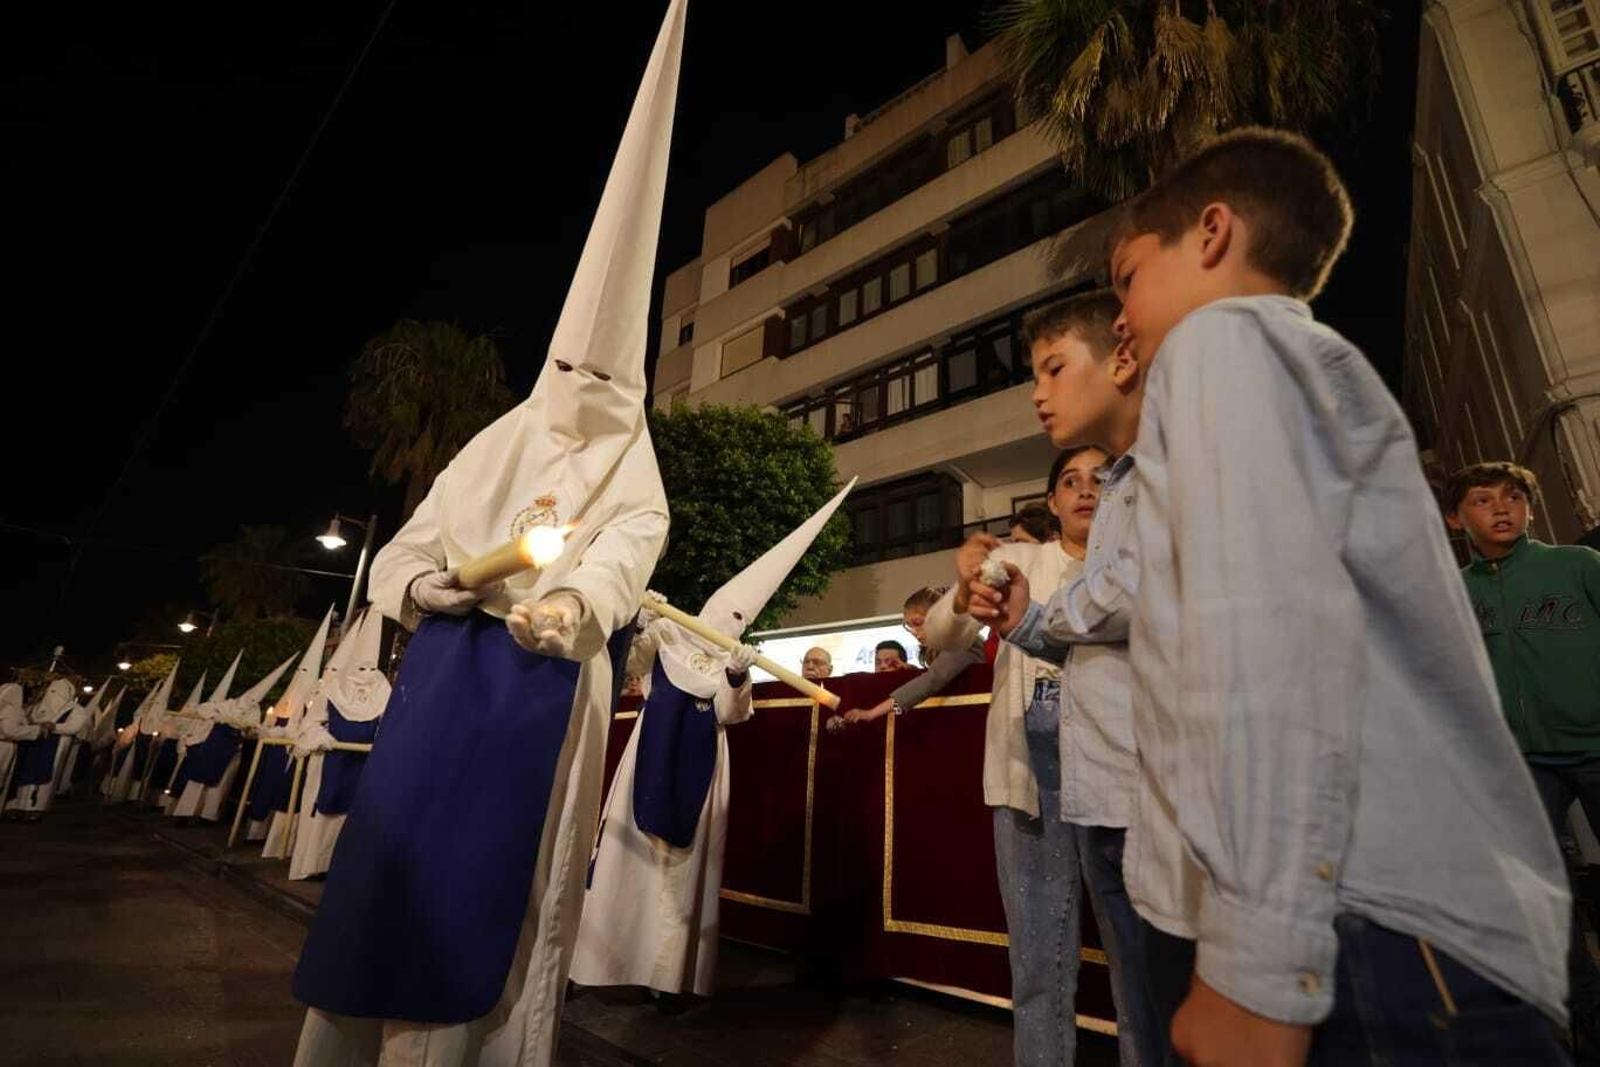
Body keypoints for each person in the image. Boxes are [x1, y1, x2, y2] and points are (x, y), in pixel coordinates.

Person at [975, 127, 1569, 1064]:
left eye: (1128, 278)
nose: (1119, 320)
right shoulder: (1283, 371)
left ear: (1211, 234)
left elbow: (1265, 650)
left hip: (1370, 932)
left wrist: (1258, 969)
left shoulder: (1227, 341)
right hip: (1386, 924)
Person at [290, 6, 682, 1064]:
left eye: (610, 381)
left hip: (545, 693)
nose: (587, 395)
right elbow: (403, 554)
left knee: (501, 895)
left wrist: (568, 611)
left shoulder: (636, 482)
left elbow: (615, 563)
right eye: (572, 373)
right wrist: (424, 593)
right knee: (395, 878)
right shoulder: (482, 454)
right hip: (445, 680)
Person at [571, 482, 850, 999]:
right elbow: (626, 664)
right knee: (624, 859)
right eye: (729, 609)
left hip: (704, 765)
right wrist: (639, 619)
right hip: (647, 755)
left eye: (742, 616)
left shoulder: (734, 656)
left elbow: (730, 713)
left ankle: (666, 979)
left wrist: (739, 678)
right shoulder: (669, 634)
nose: (732, 618)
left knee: (683, 871)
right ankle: (600, 965)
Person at [928, 438, 1148, 1067]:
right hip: (1029, 777)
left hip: (1119, 775)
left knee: (1137, 963)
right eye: (1070, 481)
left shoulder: (1132, 565)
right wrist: (965, 583)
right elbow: (946, 633)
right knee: (1037, 963)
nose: (1086, 490)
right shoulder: (1021, 559)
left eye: (1100, 479)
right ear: (1051, 501)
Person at [1447, 460, 1600, 1057]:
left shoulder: (1577, 566)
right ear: (1457, 519)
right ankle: (1588, 1018)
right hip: (1520, 764)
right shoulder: (1454, 594)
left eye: (1512, 497)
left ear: (1530, 509)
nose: (1501, 508)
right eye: (1483, 500)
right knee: (1545, 898)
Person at [289, 610, 388, 881]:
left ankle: (343, 869)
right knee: (324, 815)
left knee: (355, 816)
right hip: (330, 762)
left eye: (371, 668)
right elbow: (309, 724)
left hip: (364, 766)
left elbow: (391, 728)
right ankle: (313, 865)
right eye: (360, 669)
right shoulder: (331, 693)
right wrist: (321, 738)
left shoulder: (383, 693)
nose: (367, 675)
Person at [840, 586, 986, 726]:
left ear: (939, 616)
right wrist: (910, 669)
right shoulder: (947, 644)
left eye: (918, 623)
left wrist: (871, 713)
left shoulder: (962, 641)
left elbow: (933, 681)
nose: (915, 633)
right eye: (910, 626)